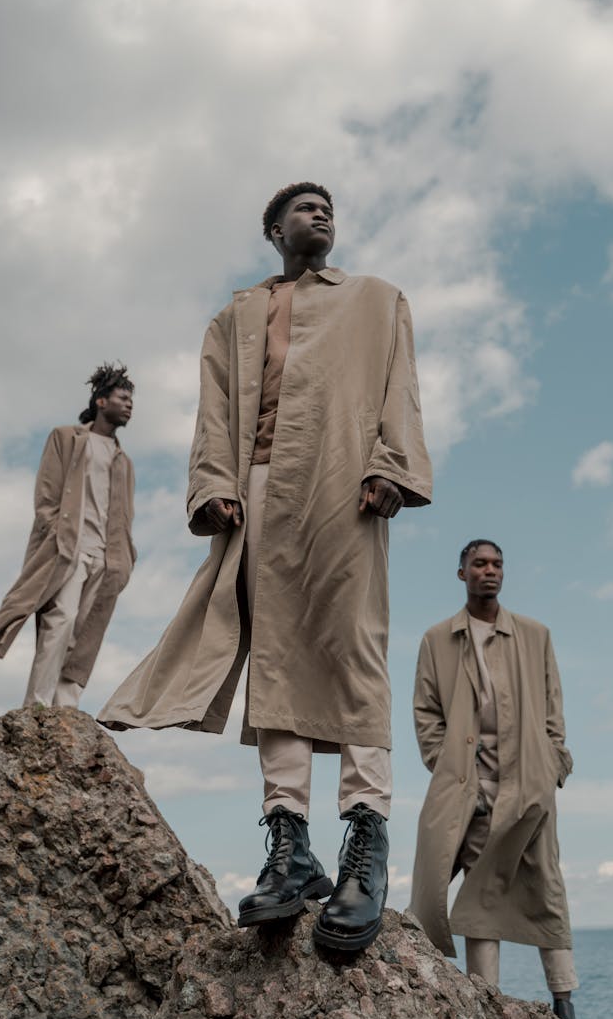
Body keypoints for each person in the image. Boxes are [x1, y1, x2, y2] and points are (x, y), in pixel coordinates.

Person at [98, 182, 432, 951]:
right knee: (274, 661)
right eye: (304, 206)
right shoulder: (235, 316)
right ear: (272, 228)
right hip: (256, 488)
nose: (322, 213)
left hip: (347, 481)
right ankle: (290, 845)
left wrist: (393, 466)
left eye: (329, 207)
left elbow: (399, 390)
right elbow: (212, 411)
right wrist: (214, 484)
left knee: (356, 649)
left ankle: (366, 844)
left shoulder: (378, 299)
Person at [409, 540, 579, 1019]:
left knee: (547, 885)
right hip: (468, 788)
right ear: (461, 572)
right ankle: (487, 1002)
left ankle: (564, 1002)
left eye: (497, 564)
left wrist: (553, 766)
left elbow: (553, 711)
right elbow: (425, 713)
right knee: (479, 886)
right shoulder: (437, 640)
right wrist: (445, 763)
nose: (490, 571)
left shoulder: (535, 635)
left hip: (529, 786)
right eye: (480, 564)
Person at [0, 363, 136, 709]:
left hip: (107, 557)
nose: (130, 405)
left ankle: (65, 707)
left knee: (85, 634)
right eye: (123, 397)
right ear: (101, 401)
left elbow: (125, 514)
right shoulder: (66, 438)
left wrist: (127, 555)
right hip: (68, 548)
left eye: (131, 400)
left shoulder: (123, 460)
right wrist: (55, 533)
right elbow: (46, 494)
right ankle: (38, 706)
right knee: (62, 620)